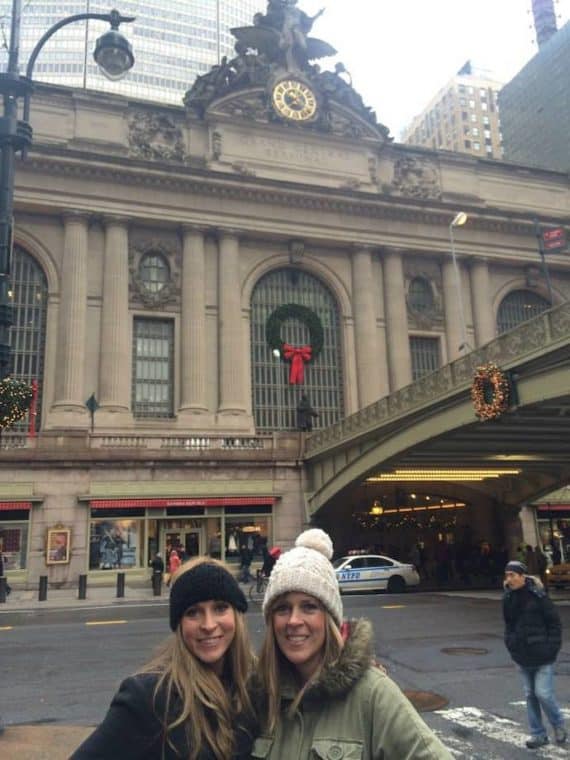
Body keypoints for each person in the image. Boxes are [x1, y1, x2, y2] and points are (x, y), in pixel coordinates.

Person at [253, 528, 452, 759]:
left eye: (309, 606)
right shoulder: (260, 695)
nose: (294, 621)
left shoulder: (373, 694)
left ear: (330, 618)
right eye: (282, 608)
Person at [71, 557, 257, 759]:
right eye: (193, 612)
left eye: (220, 608)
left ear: (237, 615)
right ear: (179, 624)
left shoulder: (256, 686)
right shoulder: (150, 696)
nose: (209, 624)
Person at [503, 560, 566, 749]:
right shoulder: (508, 598)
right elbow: (509, 625)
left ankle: (558, 725)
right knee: (530, 695)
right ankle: (538, 734)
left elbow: (554, 623)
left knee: (543, 693)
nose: (509, 579)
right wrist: (511, 644)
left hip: (543, 655)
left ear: (522, 576)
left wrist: (551, 647)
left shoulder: (538, 596)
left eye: (512, 575)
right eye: (507, 575)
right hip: (522, 655)